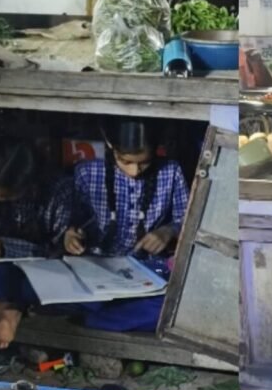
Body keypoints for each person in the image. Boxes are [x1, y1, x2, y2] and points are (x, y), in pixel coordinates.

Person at [62, 117, 189, 331]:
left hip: (148, 269)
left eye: (145, 162)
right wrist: (70, 235)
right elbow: (71, 220)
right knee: (66, 291)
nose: (135, 171)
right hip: (97, 266)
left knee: (171, 307)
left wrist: (169, 231)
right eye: (126, 162)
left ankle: (92, 323)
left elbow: (186, 218)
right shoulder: (86, 171)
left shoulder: (171, 171)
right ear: (111, 146)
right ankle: (112, 318)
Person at [0, 141, 73, 349]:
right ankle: (1, 308)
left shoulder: (59, 192)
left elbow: (59, 254)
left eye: (7, 194)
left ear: (31, 184)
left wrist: (5, 246)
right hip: (1, 268)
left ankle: (7, 309)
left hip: (40, 271)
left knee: (36, 291)